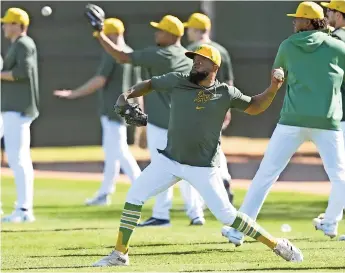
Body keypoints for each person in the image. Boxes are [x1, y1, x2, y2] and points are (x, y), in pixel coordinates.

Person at [91, 44, 303, 267]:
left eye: (201, 60)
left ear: (215, 66)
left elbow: (255, 106)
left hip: (203, 167)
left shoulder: (224, 93)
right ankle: (120, 253)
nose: (196, 63)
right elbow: (150, 84)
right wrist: (127, 94)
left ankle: (277, 244)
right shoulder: (178, 80)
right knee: (134, 196)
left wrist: (273, 88)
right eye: (194, 59)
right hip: (169, 160)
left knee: (228, 216)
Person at [222, 1, 345, 246]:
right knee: (340, 177)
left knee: (266, 174)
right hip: (328, 121)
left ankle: (238, 231)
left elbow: (278, 75)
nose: (293, 21)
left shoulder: (288, 45)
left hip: (292, 120)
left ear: (309, 22)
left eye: (298, 18)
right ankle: (331, 222)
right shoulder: (337, 47)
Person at [93, 14, 207, 226]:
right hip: (185, 122)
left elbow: (122, 55)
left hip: (163, 123)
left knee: (162, 167)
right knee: (185, 168)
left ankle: (162, 214)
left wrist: (99, 34)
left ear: (171, 35)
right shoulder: (187, 55)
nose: (156, 32)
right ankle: (195, 213)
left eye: (160, 30)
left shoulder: (161, 54)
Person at [54, 18, 141, 206]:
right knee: (112, 153)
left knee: (120, 151)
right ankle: (105, 193)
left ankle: (141, 188)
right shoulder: (131, 55)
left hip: (113, 110)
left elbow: (99, 80)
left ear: (111, 35)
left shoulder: (112, 55)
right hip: (126, 110)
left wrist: (73, 93)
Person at [184, 12, 235, 204]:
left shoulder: (191, 50)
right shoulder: (221, 50)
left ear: (196, 30)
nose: (188, 31)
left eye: (189, 28)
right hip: (218, 103)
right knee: (214, 144)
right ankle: (224, 178)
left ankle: (202, 198)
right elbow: (229, 82)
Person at [1, 8, 39, 223]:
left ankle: (24, 210)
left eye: (7, 23)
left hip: (19, 108)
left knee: (19, 159)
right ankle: (23, 208)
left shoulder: (24, 44)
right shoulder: (17, 45)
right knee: (17, 158)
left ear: (17, 24)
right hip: (12, 108)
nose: (4, 26)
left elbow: (23, 73)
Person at [319, 0, 345, 240]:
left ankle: (330, 221)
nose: (327, 14)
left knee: (341, 174)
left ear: (340, 14)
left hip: (341, 113)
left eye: (330, 11)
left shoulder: (335, 40)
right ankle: (330, 221)